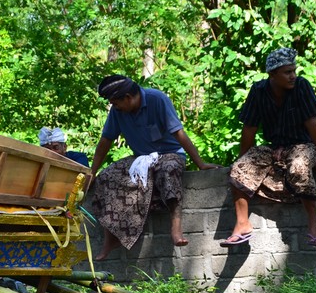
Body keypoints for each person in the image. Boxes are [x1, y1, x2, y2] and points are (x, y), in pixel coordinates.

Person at [90, 75, 220, 260]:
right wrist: (92, 171)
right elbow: (106, 140)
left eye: (116, 103)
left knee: (168, 170)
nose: (114, 107)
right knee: (107, 177)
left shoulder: (157, 99)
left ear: (128, 97)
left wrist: (200, 163)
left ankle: (175, 226)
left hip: (169, 153)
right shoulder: (118, 112)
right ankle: (110, 238)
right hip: (141, 157)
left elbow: (179, 133)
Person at [221, 48, 316, 248]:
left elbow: (313, 125)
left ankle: (313, 223)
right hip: (274, 146)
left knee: (299, 167)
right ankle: (242, 224)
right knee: (239, 168)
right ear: (272, 74)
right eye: (287, 72)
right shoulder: (258, 91)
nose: (293, 76)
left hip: (303, 144)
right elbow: (249, 129)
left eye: (294, 70)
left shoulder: (302, 87)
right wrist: (241, 160)